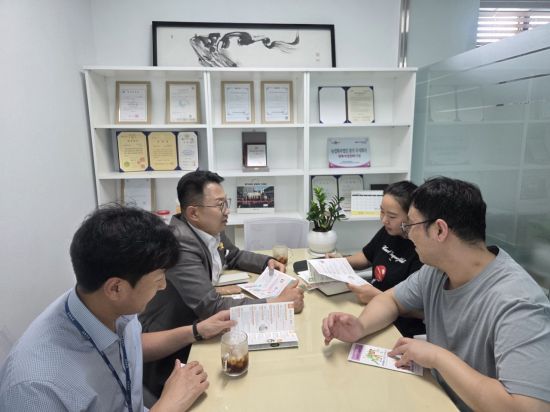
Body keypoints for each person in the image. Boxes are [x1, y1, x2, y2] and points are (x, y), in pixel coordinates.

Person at [322, 177, 550, 412]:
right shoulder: (436, 271)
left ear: (440, 230)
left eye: (411, 225)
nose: (408, 235)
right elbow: (390, 299)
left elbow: (527, 408)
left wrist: (437, 357)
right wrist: (360, 327)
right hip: (436, 394)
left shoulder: (518, 302)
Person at [0, 206, 234, 412]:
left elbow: (130, 344)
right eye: (158, 278)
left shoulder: (103, 303)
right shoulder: (35, 388)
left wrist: (196, 330)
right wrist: (167, 406)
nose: (163, 286)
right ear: (115, 288)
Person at [140, 170, 304, 397]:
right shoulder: (179, 246)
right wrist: (276, 303)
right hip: (171, 347)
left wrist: (266, 262)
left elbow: (233, 255)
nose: (227, 211)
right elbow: (212, 308)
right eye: (220, 205)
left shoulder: (208, 229)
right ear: (194, 212)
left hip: (196, 325)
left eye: (227, 203)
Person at [332, 181, 425, 337]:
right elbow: (366, 256)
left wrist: (377, 296)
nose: (384, 220)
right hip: (371, 307)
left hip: (398, 324)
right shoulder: (389, 231)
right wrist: (340, 262)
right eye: (382, 212)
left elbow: (419, 310)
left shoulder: (421, 250)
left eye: (392, 216)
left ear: (411, 217)